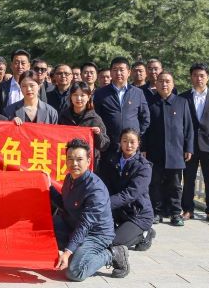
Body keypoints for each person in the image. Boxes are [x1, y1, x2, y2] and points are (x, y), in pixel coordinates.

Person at [51, 138, 129, 281]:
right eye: (70, 159)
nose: (74, 163)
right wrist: (47, 185)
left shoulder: (95, 190)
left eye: (79, 159)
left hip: (96, 234)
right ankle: (76, 251)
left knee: (74, 272)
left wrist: (67, 252)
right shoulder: (69, 178)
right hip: (73, 225)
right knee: (44, 230)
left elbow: (85, 225)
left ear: (88, 161)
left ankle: (112, 254)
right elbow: (64, 204)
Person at [142, 71, 193, 226]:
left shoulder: (182, 102)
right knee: (154, 183)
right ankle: (156, 212)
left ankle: (175, 213)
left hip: (176, 151)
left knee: (175, 185)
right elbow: (144, 128)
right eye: (161, 81)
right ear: (156, 84)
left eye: (168, 81)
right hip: (154, 151)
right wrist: (143, 148)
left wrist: (189, 148)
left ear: (173, 84)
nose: (164, 84)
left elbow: (188, 128)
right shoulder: (149, 103)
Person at [180, 63, 209, 223]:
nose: (198, 78)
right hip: (189, 146)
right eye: (195, 75)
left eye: (202, 75)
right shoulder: (183, 97)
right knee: (188, 179)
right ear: (191, 77)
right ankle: (187, 209)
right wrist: (183, 145)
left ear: (207, 77)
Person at [100, 129, 155, 251]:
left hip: (138, 215)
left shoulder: (144, 166)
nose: (128, 145)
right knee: (99, 237)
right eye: (125, 141)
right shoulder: (111, 160)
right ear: (120, 142)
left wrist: (104, 203)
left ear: (138, 143)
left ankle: (145, 234)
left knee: (113, 244)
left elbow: (130, 194)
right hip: (118, 211)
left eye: (132, 142)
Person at [93, 57, 150, 154]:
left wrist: (136, 134)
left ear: (129, 72)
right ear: (111, 73)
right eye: (115, 70)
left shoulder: (138, 93)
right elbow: (96, 117)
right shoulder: (100, 93)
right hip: (109, 145)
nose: (118, 73)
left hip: (131, 146)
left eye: (121, 70)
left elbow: (145, 118)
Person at [58, 82, 109, 172]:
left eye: (82, 95)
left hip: (88, 166)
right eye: (75, 95)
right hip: (66, 163)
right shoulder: (63, 116)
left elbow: (105, 145)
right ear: (70, 97)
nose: (79, 98)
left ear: (88, 97)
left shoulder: (95, 119)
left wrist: (98, 134)